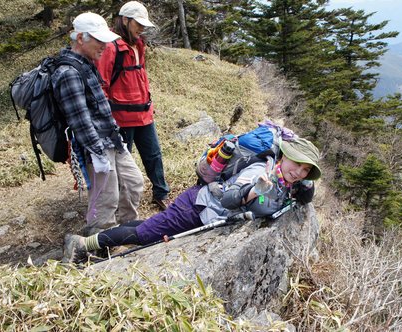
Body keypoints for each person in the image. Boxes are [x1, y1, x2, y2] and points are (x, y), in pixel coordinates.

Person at [63, 137, 322, 263]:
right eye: (296, 165)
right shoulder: (261, 173)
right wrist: (253, 191)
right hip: (197, 207)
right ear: (283, 155)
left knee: (152, 226)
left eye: (305, 170)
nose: (298, 172)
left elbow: (306, 197)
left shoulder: (289, 182)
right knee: (144, 234)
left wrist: (306, 182)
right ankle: (82, 243)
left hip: (206, 213)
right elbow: (233, 200)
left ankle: (102, 240)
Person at [52, 12, 144, 236]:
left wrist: (116, 137)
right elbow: (80, 120)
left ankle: (126, 231)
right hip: (95, 147)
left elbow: (101, 107)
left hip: (111, 139)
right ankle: (100, 243)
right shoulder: (68, 73)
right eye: (98, 40)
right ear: (81, 38)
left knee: (134, 183)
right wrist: (98, 154)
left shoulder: (87, 64)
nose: (104, 45)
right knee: (106, 199)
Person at [94, 1, 170, 210]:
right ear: (125, 20)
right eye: (138, 23)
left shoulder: (139, 44)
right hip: (121, 118)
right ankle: (120, 202)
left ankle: (161, 193)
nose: (142, 28)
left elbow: (140, 76)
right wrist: (106, 119)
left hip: (144, 113)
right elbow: (102, 84)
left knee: (153, 155)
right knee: (121, 162)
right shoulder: (110, 47)